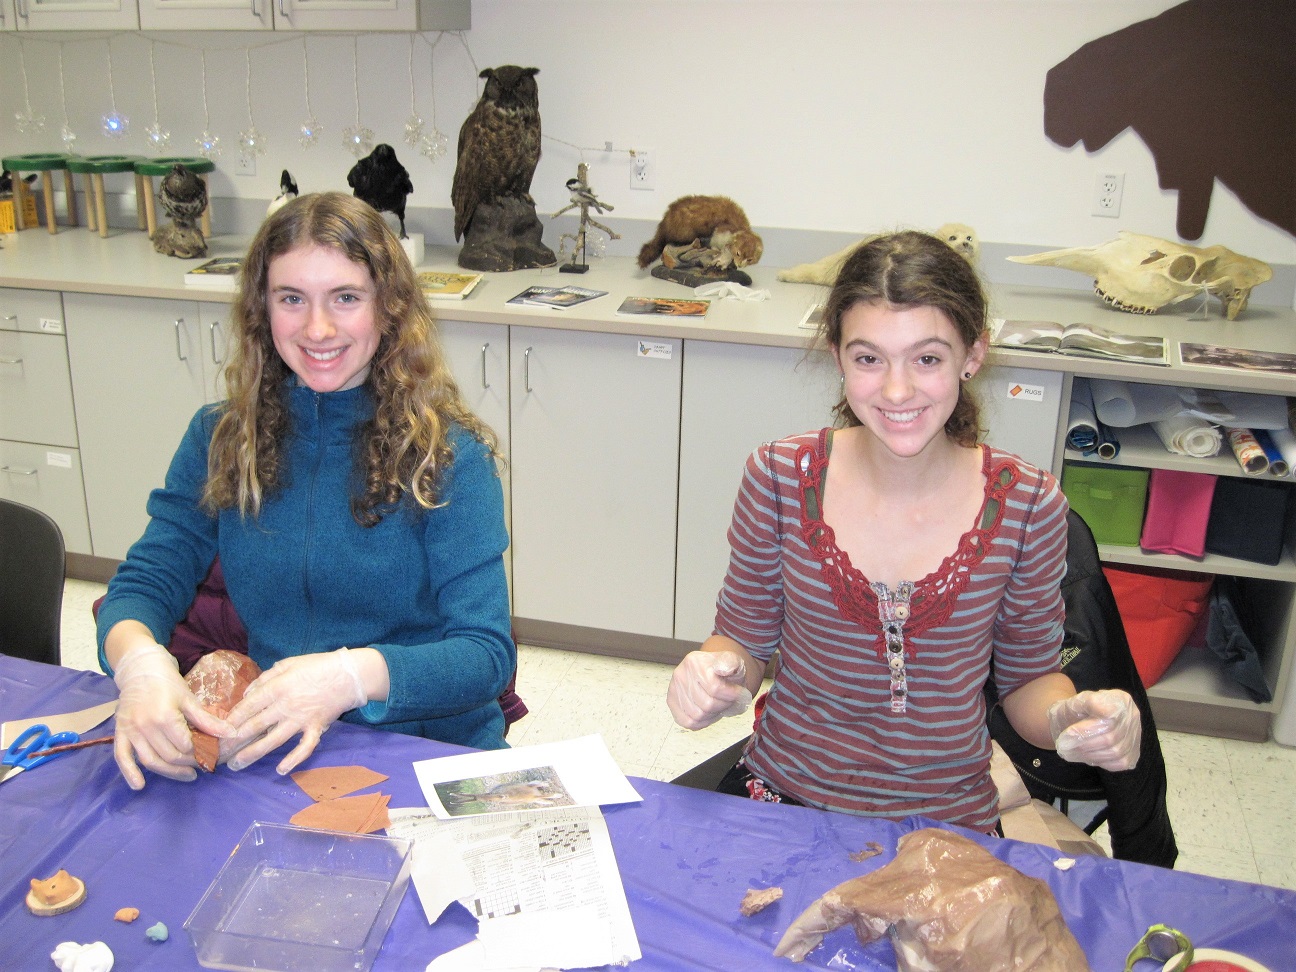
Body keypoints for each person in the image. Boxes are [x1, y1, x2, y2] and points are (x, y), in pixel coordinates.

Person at [666, 230, 1141, 834]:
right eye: (869, 358)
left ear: (972, 355)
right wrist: (714, 678)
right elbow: (742, 640)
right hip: (783, 794)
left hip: (947, 817)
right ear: (837, 355)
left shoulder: (1027, 505)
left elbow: (1028, 682)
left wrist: (1073, 718)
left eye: (927, 358)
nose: (896, 390)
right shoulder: (781, 478)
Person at [97, 192, 514, 790]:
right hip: (277, 744)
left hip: (425, 752)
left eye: (345, 298)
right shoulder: (220, 437)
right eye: (291, 299)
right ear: (262, 310)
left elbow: (485, 656)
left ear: (389, 308)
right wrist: (139, 662)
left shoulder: (449, 457)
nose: (317, 329)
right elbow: (144, 583)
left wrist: (349, 677)